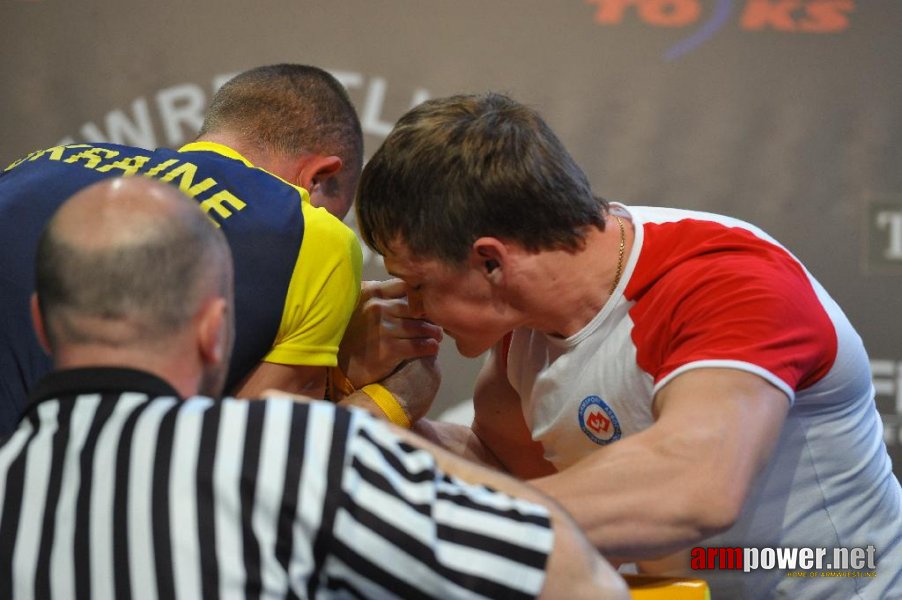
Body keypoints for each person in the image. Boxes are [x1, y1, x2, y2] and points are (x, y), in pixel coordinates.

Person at [353, 92, 902, 598]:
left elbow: (692, 487)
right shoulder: (526, 324)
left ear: (492, 262)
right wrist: (378, 412)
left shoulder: (727, 282)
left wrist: (437, 515)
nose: (411, 305)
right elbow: (509, 473)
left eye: (420, 284)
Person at [0, 177, 628, 599]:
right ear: (214, 331)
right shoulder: (291, 449)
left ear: (40, 324)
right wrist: (373, 419)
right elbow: (572, 575)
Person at [0, 63, 440, 437]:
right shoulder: (312, 233)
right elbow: (251, 460)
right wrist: (393, 400)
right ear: (319, 178)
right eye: (332, 207)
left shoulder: (31, 168)